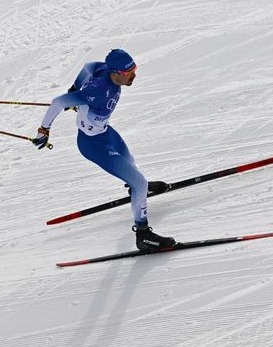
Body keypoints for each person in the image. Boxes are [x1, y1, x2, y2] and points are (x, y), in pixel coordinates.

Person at [33, 49, 176, 251]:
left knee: (130, 162)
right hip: (93, 145)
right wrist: (44, 129)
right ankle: (143, 236)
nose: (133, 76)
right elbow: (58, 103)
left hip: (106, 133)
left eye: (134, 70)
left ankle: (137, 189)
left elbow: (89, 66)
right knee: (140, 182)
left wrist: (74, 87)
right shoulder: (97, 91)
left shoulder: (103, 69)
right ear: (115, 73)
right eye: (129, 73)